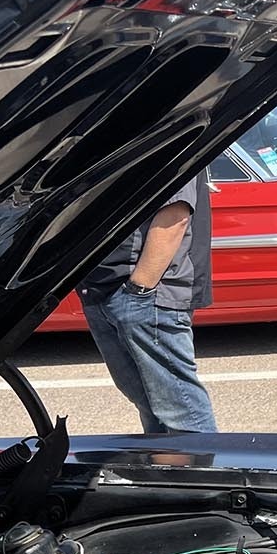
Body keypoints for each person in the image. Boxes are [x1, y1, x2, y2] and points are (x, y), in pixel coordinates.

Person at [78, 175, 218, 433]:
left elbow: (175, 215)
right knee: (150, 404)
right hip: (100, 288)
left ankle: (199, 472)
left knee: (179, 409)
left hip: (146, 294)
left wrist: (140, 287)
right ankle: (166, 471)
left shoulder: (168, 135)